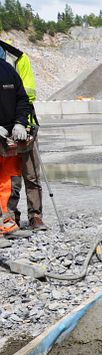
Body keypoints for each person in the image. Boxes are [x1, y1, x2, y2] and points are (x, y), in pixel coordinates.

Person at [1, 40, 46, 231]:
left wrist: (21, 122)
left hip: (24, 127)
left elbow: (24, 97)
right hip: (3, 134)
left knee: (31, 175)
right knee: (9, 178)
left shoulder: (12, 64)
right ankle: (10, 217)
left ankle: (35, 216)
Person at [0, 57, 31, 240]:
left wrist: (20, 123)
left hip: (9, 137)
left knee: (11, 180)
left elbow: (22, 99)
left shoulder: (7, 70)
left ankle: (7, 220)